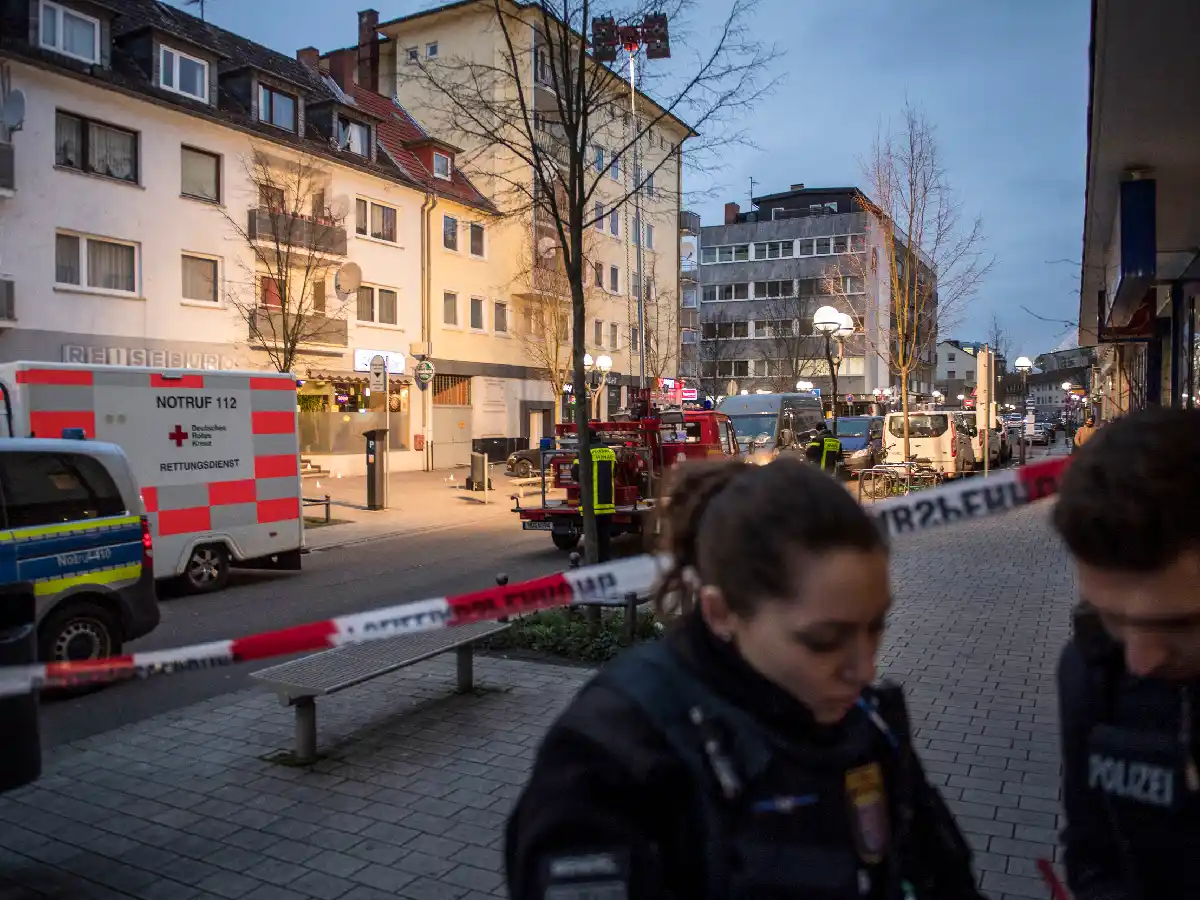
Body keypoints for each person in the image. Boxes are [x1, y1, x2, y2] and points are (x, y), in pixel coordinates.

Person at [505, 456, 986, 900]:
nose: (864, 669)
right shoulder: (613, 756)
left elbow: (941, 875)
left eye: (876, 626)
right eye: (823, 641)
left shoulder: (868, 723)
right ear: (721, 612)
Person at [1053, 407, 1200, 900]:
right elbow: (1093, 848)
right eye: (1111, 617)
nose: (1140, 660)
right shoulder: (1092, 669)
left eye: (1179, 624)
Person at [571, 430, 616, 562]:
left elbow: (576, 474)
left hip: (591, 506)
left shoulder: (585, 453)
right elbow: (615, 473)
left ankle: (593, 567)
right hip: (607, 504)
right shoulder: (610, 452)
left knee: (591, 540)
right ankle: (605, 564)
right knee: (604, 539)